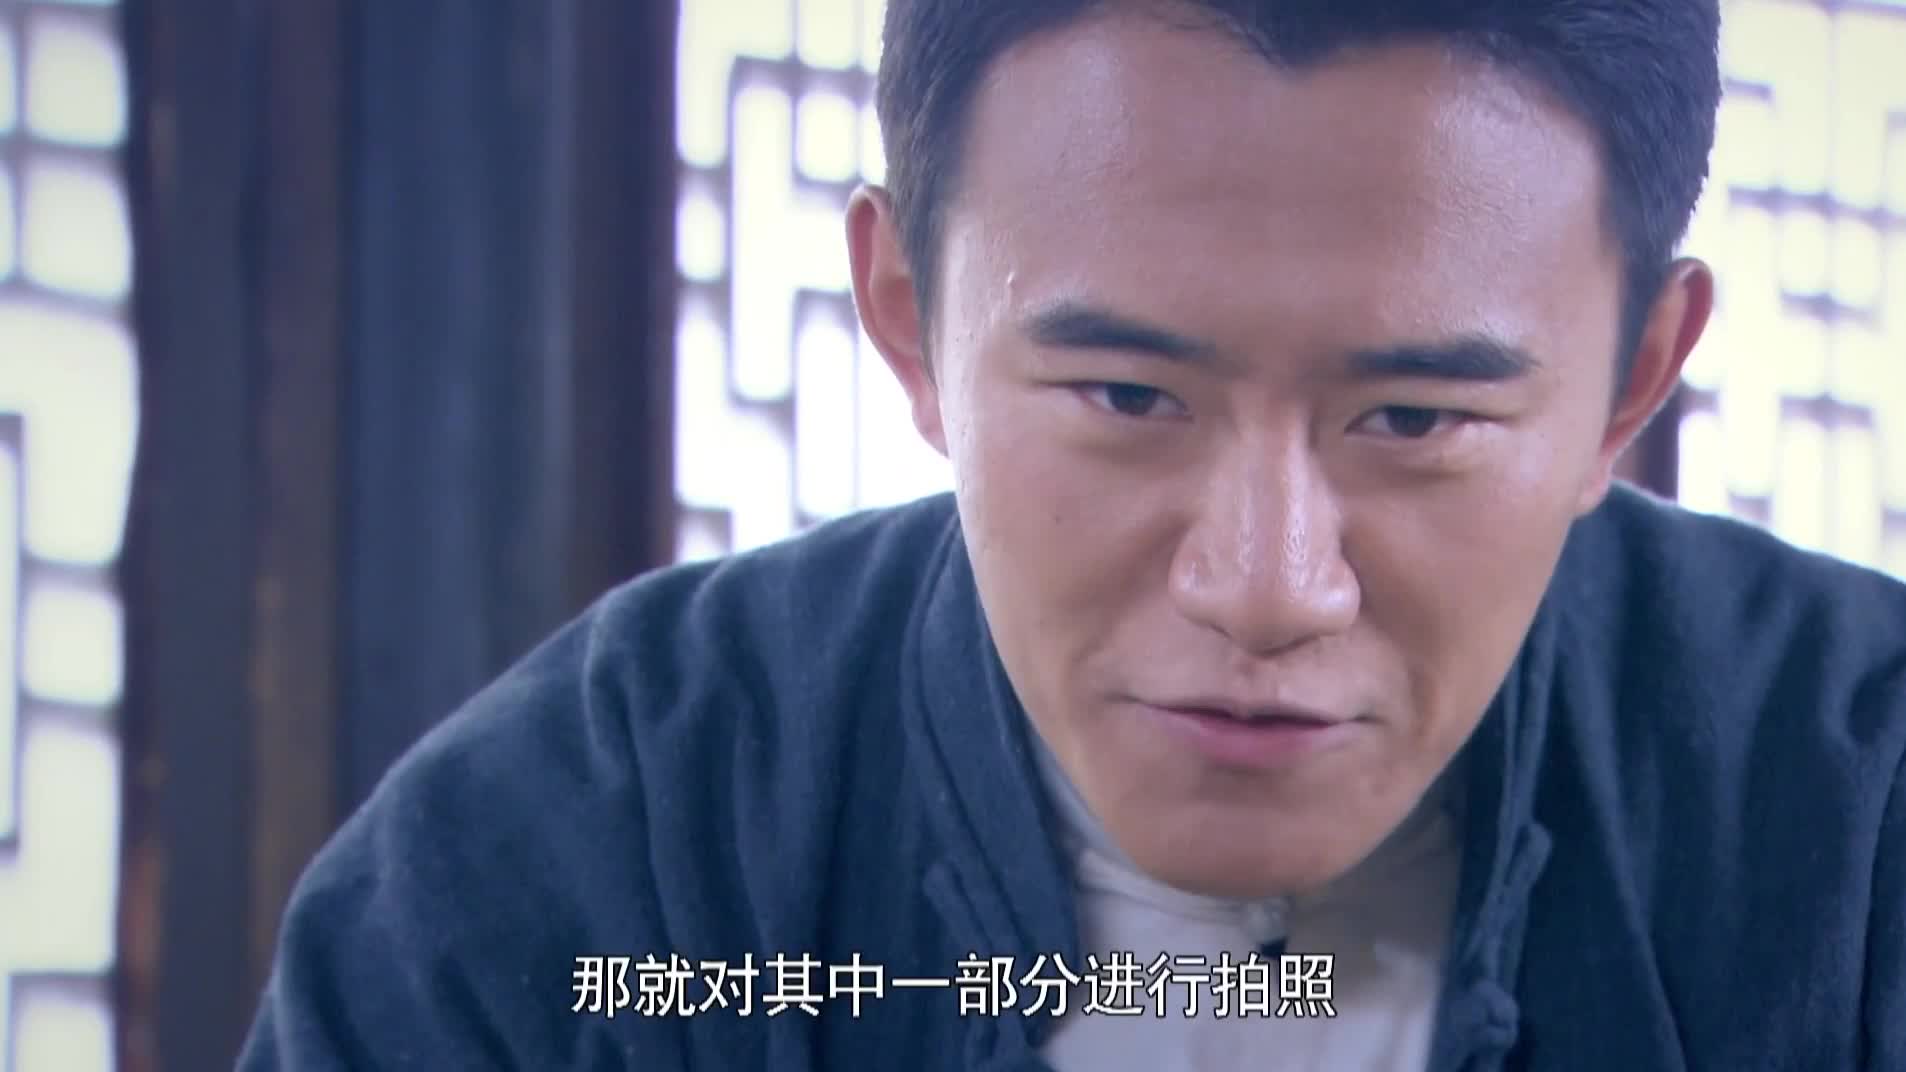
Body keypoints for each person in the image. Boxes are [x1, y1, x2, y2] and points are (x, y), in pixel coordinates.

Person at [238, 1, 1906, 1068]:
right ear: (908, 318)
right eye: (1125, 394)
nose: (1264, 587)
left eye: (1411, 420)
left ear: (1633, 379)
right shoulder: (590, 851)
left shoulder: (1860, 814)